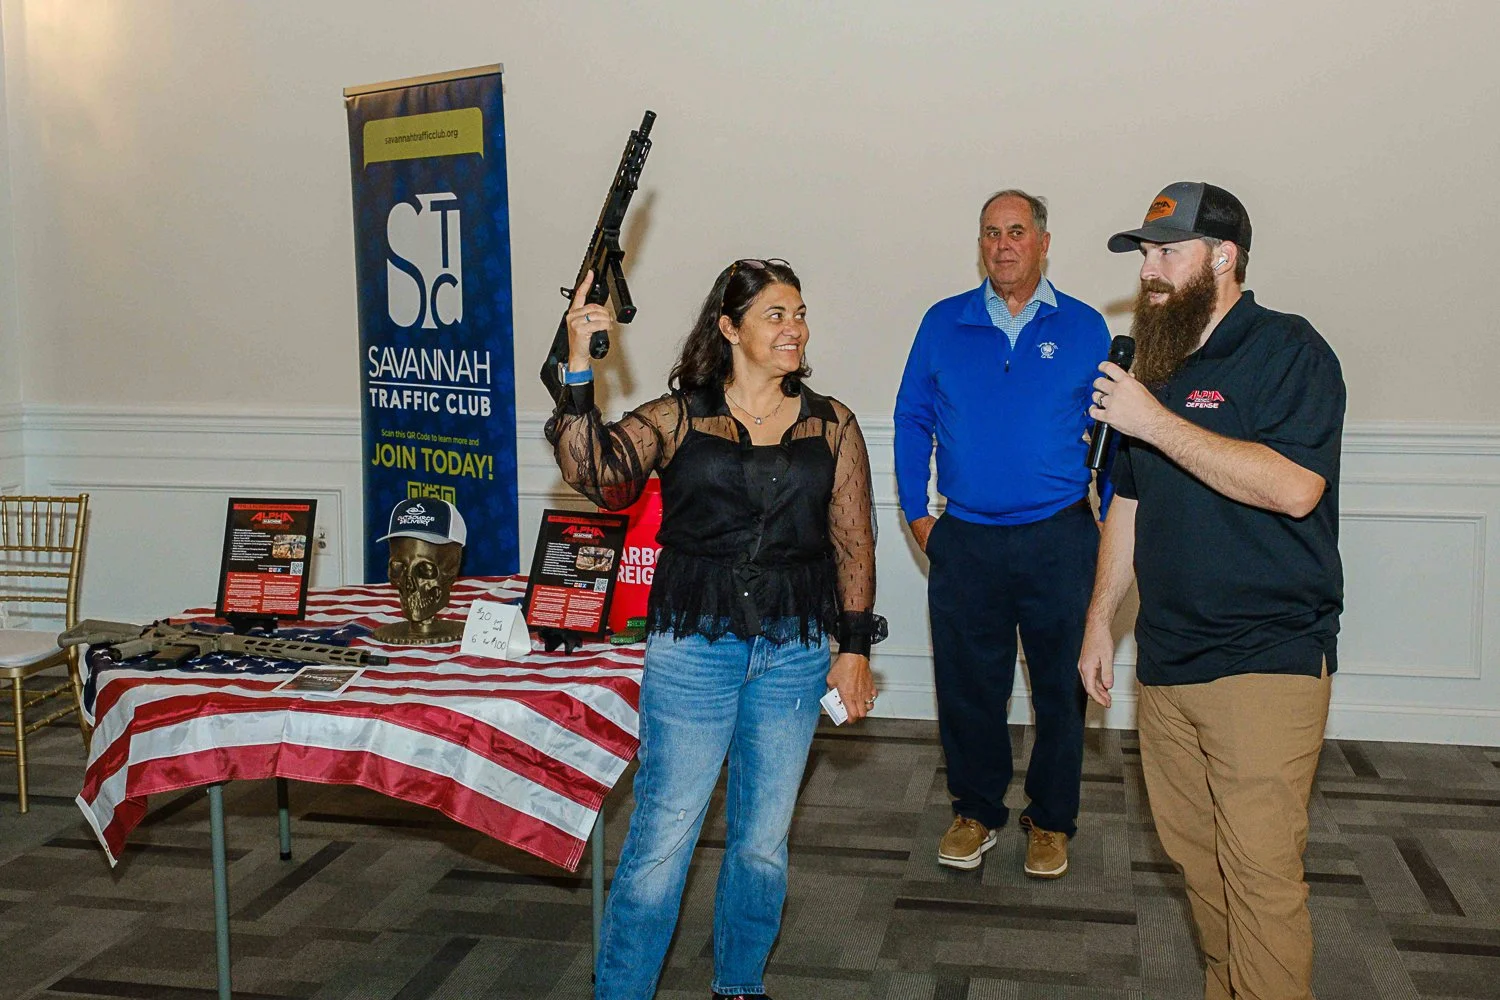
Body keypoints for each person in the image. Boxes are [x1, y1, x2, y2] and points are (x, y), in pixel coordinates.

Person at [547, 259, 885, 1000]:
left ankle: (740, 986)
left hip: (795, 652)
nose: (795, 328)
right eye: (775, 315)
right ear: (729, 328)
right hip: (694, 649)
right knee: (664, 838)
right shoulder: (679, 417)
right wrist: (578, 365)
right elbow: (598, 474)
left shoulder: (832, 423)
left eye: (800, 313)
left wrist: (854, 649)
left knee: (762, 844)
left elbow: (854, 540)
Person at [1079, 182, 1344, 1000]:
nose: (1148, 271)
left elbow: (1295, 488)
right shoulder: (1156, 364)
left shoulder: (1288, 349)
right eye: (1144, 254)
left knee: (1260, 876)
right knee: (1199, 867)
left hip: (1266, 660)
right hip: (1167, 664)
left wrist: (1152, 421)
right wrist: (1100, 621)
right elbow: (1129, 503)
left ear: (1224, 257)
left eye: (1167, 252)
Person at [894, 190, 1110, 877]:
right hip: (966, 540)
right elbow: (911, 419)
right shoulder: (943, 323)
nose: (1003, 244)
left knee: (1062, 692)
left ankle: (1051, 821)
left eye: (1017, 231)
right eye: (991, 233)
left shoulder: (1085, 326)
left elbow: (1113, 433)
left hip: (1061, 538)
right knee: (968, 688)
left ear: (1043, 242)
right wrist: (918, 514)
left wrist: (1110, 522)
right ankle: (975, 812)